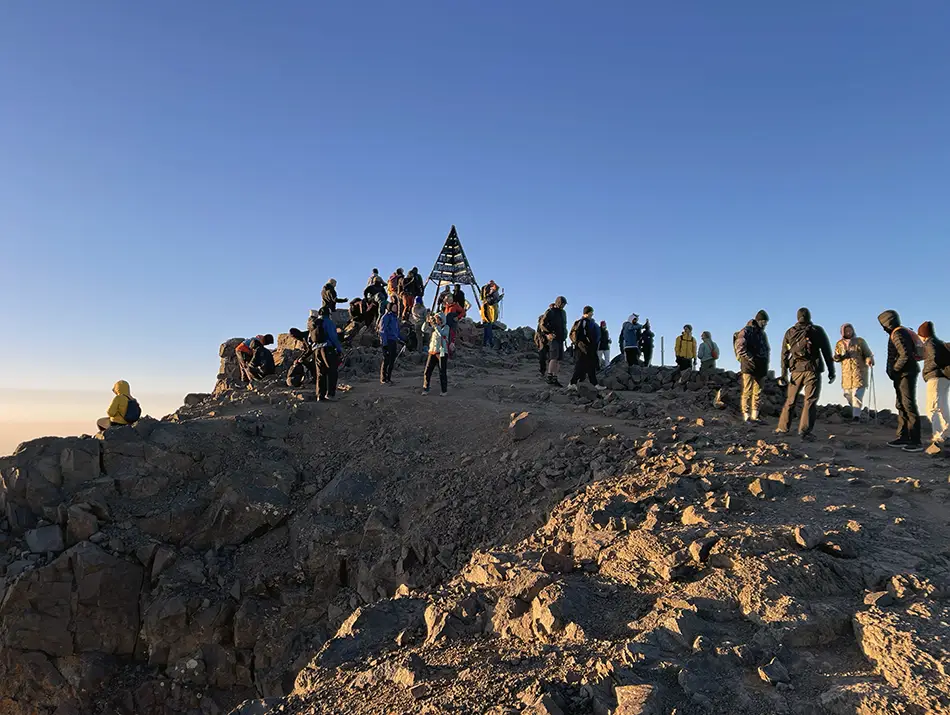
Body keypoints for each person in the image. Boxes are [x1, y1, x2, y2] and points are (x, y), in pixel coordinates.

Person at [776, 308, 835, 440]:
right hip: (812, 370)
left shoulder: (790, 332)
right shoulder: (817, 331)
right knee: (810, 400)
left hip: (796, 370)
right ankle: (804, 431)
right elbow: (826, 351)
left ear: (797, 318)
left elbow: (784, 354)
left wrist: (784, 373)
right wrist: (831, 371)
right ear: (809, 317)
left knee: (791, 400)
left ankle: (782, 428)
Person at [878, 310, 922, 451]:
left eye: (883, 324)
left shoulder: (897, 333)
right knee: (901, 405)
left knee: (908, 405)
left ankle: (915, 441)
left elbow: (905, 355)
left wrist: (895, 369)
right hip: (903, 374)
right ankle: (903, 437)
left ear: (887, 322)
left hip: (905, 374)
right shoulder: (899, 332)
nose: (882, 327)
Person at [833, 323, 875, 423]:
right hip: (846, 374)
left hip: (859, 372)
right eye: (846, 330)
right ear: (842, 332)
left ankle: (856, 417)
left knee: (857, 395)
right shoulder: (839, 343)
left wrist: (869, 359)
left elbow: (868, 353)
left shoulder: (860, 341)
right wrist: (838, 357)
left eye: (850, 330)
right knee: (847, 394)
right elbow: (836, 356)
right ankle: (858, 412)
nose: (848, 332)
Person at [735, 310, 771, 423]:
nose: (765, 324)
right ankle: (746, 416)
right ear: (758, 320)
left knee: (758, 392)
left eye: (766, 322)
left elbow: (766, 349)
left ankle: (755, 416)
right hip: (749, 366)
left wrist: (764, 360)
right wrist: (750, 358)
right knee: (747, 391)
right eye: (763, 321)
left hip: (760, 366)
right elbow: (740, 347)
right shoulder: (746, 331)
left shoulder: (762, 334)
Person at [918, 321, 949, 449]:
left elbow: (935, 358)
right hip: (945, 378)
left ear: (923, 335)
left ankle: (938, 436)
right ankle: (947, 434)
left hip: (935, 377)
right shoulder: (939, 342)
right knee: (942, 406)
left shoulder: (929, 343)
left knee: (932, 408)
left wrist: (927, 370)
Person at [310, 307, 344, 402]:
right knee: (332, 371)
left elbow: (310, 338)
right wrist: (339, 349)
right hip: (327, 348)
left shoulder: (314, 323)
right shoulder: (329, 322)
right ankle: (330, 394)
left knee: (320, 373)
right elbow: (333, 337)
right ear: (328, 314)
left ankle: (320, 396)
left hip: (316, 349)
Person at [568, 306, 604, 389]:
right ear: (588, 312)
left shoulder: (588, 322)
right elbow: (580, 335)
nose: (592, 314)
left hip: (588, 347)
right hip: (583, 348)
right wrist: (584, 343)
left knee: (591, 365)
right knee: (581, 365)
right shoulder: (583, 322)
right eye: (591, 312)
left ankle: (594, 384)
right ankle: (572, 383)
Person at [541, 297, 569, 387]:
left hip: (561, 338)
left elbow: (564, 325)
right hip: (553, 338)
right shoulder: (550, 311)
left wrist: (565, 335)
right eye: (563, 304)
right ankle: (549, 376)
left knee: (558, 359)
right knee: (553, 357)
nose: (564, 306)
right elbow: (542, 324)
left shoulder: (563, 313)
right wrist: (548, 333)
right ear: (559, 303)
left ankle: (555, 378)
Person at [422, 313, 450, 396]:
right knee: (427, 371)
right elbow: (423, 329)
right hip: (432, 351)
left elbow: (441, 334)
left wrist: (435, 326)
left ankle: (444, 390)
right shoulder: (434, 328)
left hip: (442, 352)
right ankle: (425, 388)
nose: (436, 320)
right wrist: (427, 321)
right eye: (435, 318)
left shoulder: (446, 327)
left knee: (442, 372)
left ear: (442, 319)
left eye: (437, 318)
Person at [378, 302, 401, 384]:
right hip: (388, 341)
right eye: (394, 307)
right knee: (386, 360)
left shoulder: (395, 318)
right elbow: (382, 331)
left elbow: (396, 330)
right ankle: (383, 378)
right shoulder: (386, 317)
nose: (395, 308)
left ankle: (389, 378)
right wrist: (384, 344)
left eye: (396, 307)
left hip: (393, 340)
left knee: (392, 360)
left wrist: (401, 338)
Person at [535, 311, 550, 377]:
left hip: (542, 343)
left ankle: (543, 372)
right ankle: (545, 372)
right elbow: (537, 336)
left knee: (543, 359)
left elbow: (536, 336)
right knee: (545, 358)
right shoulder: (542, 326)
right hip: (544, 342)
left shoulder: (540, 326)